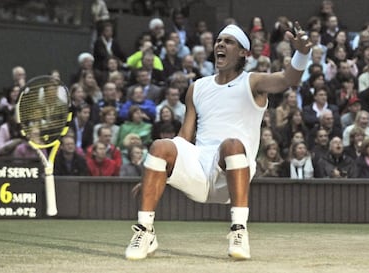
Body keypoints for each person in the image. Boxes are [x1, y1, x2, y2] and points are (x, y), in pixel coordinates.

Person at [124, 22, 312, 260]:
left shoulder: (253, 82)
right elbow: (184, 138)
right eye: (219, 41)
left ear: (243, 52)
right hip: (199, 170)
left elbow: (288, 80)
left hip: (233, 171)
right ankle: (145, 231)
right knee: (160, 146)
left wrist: (302, 53)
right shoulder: (197, 87)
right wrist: (157, 173)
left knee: (231, 144)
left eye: (229, 41)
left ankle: (239, 230)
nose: (220, 44)